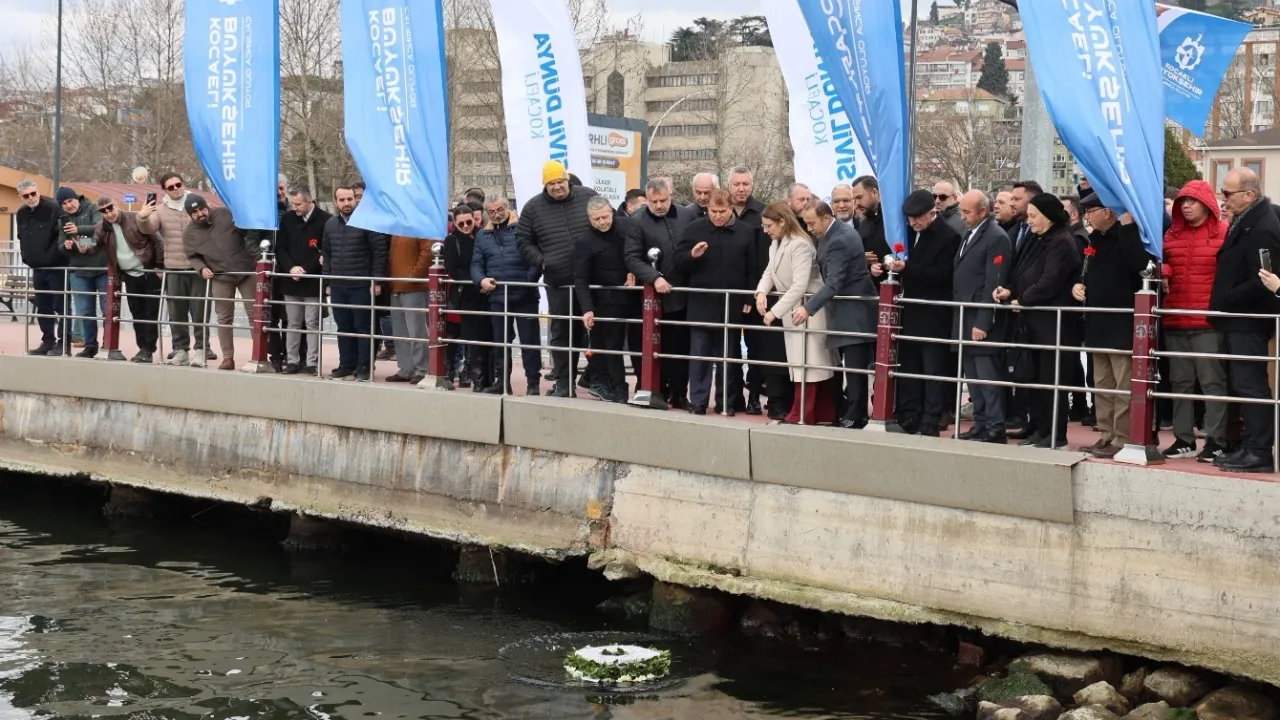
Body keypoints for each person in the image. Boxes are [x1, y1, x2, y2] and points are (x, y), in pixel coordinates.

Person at [993, 193, 1081, 450]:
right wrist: (1010, 290)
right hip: (1033, 322)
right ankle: (1040, 430)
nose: (1029, 221)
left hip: (1055, 325)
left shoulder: (1063, 241)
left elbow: (1050, 280)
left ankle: (1056, 435)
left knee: (1052, 381)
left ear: (1049, 217)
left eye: (1033, 216)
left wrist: (1023, 299)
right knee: (1036, 380)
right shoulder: (1037, 238)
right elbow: (1023, 272)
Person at [1208, 168, 1280, 472]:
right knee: (1243, 383)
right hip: (1240, 318)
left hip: (1250, 319)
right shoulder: (1248, 219)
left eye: (1228, 193)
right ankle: (1250, 445)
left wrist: (1227, 298)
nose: (1223, 199)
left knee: (1251, 385)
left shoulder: (1262, 226)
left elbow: (1263, 280)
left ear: (1249, 194)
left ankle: (1259, 451)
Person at [1072, 194, 1151, 459]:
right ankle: (1106, 433)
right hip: (1097, 322)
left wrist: (1127, 228)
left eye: (1091, 211)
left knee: (1122, 386)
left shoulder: (1128, 235)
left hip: (1121, 324)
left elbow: (1138, 266)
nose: (1087, 216)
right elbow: (1088, 270)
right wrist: (1079, 284)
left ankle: (1122, 436)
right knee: (1102, 385)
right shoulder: (1095, 239)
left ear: (1107, 211)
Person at [879, 189, 961, 437]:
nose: (913, 222)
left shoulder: (948, 237)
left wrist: (907, 268)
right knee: (909, 368)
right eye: (910, 218)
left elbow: (941, 275)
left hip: (934, 313)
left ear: (932, 213)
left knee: (933, 370)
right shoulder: (909, 233)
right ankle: (910, 415)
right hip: (911, 311)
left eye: (918, 217)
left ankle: (931, 419)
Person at [1161, 179, 1230, 463]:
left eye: (1192, 201)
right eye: (1183, 202)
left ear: (1207, 204)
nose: (1186, 206)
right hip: (1175, 319)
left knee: (1213, 383)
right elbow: (1159, 260)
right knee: (1180, 383)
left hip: (1208, 322)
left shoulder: (1224, 232)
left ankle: (1216, 441)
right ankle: (1183, 439)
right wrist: (1165, 270)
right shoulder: (1171, 234)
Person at [517, 160, 599, 397]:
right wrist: (542, 261)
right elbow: (522, 240)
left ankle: (599, 380)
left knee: (597, 333)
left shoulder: (588, 196)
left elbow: (610, 222)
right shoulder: (532, 208)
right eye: (551, 183)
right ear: (545, 185)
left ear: (567, 179)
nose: (556, 187)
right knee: (562, 335)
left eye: (560, 181)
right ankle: (564, 383)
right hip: (559, 281)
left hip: (593, 279)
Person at [676, 189, 759, 416]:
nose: (718, 216)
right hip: (701, 303)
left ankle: (725, 402)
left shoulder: (745, 231)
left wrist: (749, 296)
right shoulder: (694, 229)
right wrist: (692, 255)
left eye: (722, 211)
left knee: (728, 358)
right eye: (713, 211)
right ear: (707, 209)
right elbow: (678, 262)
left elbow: (752, 267)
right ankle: (698, 401)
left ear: (731, 208)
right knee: (699, 356)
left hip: (731, 303)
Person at [796, 201, 878, 429]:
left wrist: (808, 308)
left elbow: (834, 282)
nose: (809, 228)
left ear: (826, 218)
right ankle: (849, 412)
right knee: (850, 367)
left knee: (854, 368)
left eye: (812, 223)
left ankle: (856, 416)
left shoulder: (838, 240)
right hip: (848, 310)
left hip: (854, 311)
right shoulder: (835, 233)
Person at [757, 202, 836, 425]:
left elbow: (800, 285)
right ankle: (812, 412)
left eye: (769, 225)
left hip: (809, 310)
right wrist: (761, 292)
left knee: (809, 363)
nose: (766, 230)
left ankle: (804, 412)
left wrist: (773, 312)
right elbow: (769, 272)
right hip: (792, 308)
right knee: (800, 363)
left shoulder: (800, 244)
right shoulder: (776, 243)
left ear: (782, 222)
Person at [625, 177, 697, 409]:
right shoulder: (637, 221)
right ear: (647, 199)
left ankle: (679, 393)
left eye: (663, 200)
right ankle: (655, 389)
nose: (659, 205)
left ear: (671, 196)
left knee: (681, 347)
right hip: (651, 299)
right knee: (652, 346)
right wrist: (654, 277)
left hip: (683, 294)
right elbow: (632, 257)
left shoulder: (687, 215)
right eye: (654, 201)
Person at [952, 190, 1012, 443]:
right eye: (961, 211)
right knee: (973, 377)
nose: (962, 217)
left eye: (967, 212)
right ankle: (980, 422)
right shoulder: (970, 233)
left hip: (980, 319)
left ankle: (995, 426)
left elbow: (993, 283)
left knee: (987, 377)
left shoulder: (996, 237)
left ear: (983, 211)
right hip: (964, 315)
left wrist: (983, 322)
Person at [138, 172, 214, 367]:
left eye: (178, 184)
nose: (175, 189)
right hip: (173, 267)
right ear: (165, 190)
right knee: (177, 312)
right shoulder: (160, 209)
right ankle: (181, 351)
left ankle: (202, 350)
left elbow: (211, 223)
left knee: (201, 311)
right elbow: (148, 228)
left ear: (183, 184)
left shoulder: (197, 202)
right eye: (170, 187)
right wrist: (142, 217)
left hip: (199, 267)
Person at [730, 165, 788, 418]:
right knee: (730, 349)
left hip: (757, 293)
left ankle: (754, 395)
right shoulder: (721, 212)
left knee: (757, 349)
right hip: (730, 291)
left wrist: (754, 294)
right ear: (729, 185)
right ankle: (732, 397)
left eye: (745, 184)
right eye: (737, 184)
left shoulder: (763, 213)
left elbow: (765, 262)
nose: (741, 188)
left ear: (752, 185)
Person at [473, 195, 542, 395]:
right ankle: (502, 382)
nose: (496, 214)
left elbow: (536, 258)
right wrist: (481, 280)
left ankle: (533, 384)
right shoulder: (482, 235)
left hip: (525, 295)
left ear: (507, 207)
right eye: (491, 211)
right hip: (497, 296)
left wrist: (528, 281)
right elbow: (476, 263)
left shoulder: (523, 228)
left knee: (530, 342)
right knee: (501, 343)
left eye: (500, 209)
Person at [319, 185, 389, 381]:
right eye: (342, 200)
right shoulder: (330, 224)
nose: (346, 203)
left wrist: (377, 281)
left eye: (349, 199)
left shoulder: (368, 221)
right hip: (338, 285)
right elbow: (327, 254)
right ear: (336, 202)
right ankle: (346, 365)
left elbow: (380, 252)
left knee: (363, 327)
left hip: (361, 284)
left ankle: (364, 367)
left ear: (356, 199)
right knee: (343, 327)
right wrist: (327, 282)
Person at [182, 194, 257, 371]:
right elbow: (192, 255)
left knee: (255, 315)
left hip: (246, 270)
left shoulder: (225, 213)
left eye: (202, 208)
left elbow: (247, 231)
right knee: (224, 318)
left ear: (207, 206)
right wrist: (201, 268)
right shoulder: (189, 234)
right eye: (195, 212)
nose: (200, 213)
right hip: (220, 276)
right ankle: (228, 358)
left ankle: (258, 355)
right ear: (190, 215)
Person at [574, 197, 638, 403]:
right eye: (596, 219)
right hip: (605, 299)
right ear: (589, 219)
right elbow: (581, 278)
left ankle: (644, 386)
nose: (602, 222)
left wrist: (634, 270)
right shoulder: (585, 241)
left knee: (638, 343)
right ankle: (619, 387)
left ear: (611, 212)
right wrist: (587, 309)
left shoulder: (628, 226)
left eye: (605, 217)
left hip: (633, 294)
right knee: (612, 346)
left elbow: (640, 253)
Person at [94, 195, 164, 363]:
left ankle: (148, 349)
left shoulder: (135, 219)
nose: (108, 213)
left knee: (151, 313)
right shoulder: (102, 227)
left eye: (110, 208)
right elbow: (94, 245)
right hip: (129, 275)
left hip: (149, 272)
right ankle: (142, 348)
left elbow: (158, 241)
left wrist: (159, 266)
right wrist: (82, 247)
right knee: (137, 313)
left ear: (117, 205)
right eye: (103, 211)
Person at [275, 186, 330, 375]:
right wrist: (291, 268)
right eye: (293, 204)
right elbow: (280, 248)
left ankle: (312, 362)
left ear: (309, 201)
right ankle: (292, 360)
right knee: (293, 322)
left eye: (298, 204)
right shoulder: (288, 219)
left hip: (313, 280)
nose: (295, 208)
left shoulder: (325, 220)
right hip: (291, 279)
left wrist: (306, 268)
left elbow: (325, 251)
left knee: (312, 322)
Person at [444, 204, 492, 391]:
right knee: (464, 334)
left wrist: (485, 282)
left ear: (475, 219)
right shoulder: (452, 240)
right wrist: (478, 282)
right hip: (465, 293)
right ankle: (460, 373)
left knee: (484, 335)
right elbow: (453, 269)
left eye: (469, 222)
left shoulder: (483, 235)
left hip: (485, 292)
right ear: (455, 223)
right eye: (461, 223)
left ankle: (477, 375)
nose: (465, 226)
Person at [16, 180, 67, 355]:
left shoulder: (53, 208)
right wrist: (26, 257)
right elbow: (21, 237)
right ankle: (47, 341)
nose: (31, 198)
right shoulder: (21, 213)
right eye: (26, 195)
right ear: (21, 197)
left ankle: (64, 342)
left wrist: (50, 256)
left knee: (61, 305)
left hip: (56, 266)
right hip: (37, 267)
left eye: (33, 193)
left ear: (38, 191)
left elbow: (61, 235)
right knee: (43, 306)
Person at [57, 187, 106, 358]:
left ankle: (108, 345)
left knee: (107, 310)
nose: (68, 205)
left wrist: (79, 231)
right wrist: (66, 246)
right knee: (85, 311)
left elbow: (101, 230)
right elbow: (60, 244)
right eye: (64, 203)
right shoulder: (62, 220)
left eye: (70, 201)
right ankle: (90, 345)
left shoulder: (93, 208)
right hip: (79, 270)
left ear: (77, 199)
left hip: (101, 268)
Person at [383, 234, 433, 384]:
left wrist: (414, 274)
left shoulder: (420, 228)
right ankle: (406, 369)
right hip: (396, 285)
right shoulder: (397, 231)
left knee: (417, 331)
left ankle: (422, 369)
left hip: (414, 287)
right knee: (400, 332)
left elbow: (428, 252)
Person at [850, 176, 891, 261]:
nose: (857, 203)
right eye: (855, 199)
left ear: (875, 193)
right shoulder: (862, 223)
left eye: (859, 197)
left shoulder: (893, 218)